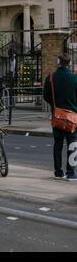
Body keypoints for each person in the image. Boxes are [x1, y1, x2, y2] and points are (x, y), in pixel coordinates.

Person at [43, 53, 77, 181]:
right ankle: (71, 172)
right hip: (72, 117)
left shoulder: (51, 78)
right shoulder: (74, 78)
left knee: (58, 143)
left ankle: (58, 171)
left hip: (57, 116)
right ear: (68, 63)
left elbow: (46, 96)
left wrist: (54, 105)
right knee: (72, 143)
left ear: (58, 62)